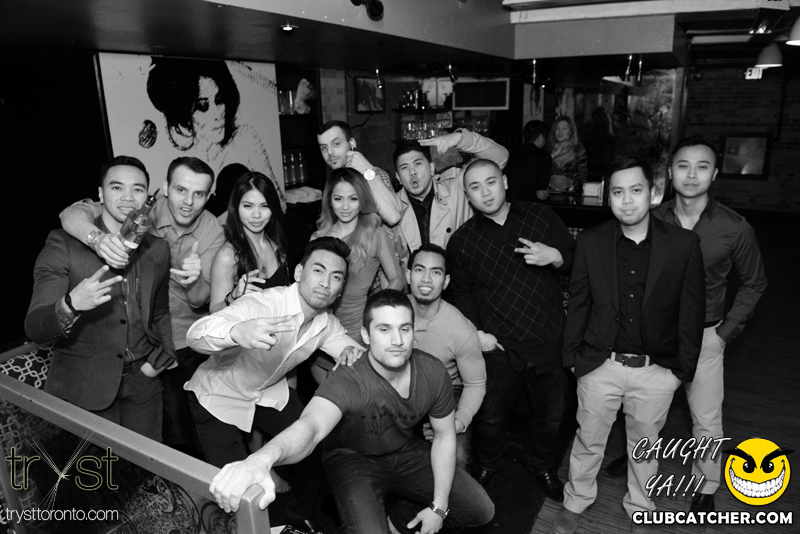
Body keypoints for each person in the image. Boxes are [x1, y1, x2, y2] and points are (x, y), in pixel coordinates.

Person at [207, 289, 495, 534]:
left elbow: (444, 436)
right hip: (352, 459)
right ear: (365, 335)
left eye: (404, 329)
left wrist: (438, 507)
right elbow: (311, 427)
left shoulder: (433, 371)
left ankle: (399, 520)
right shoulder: (348, 378)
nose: (397, 340)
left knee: (482, 510)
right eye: (384, 329)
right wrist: (261, 459)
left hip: (404, 450)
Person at [603, 137, 768, 513]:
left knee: (706, 419)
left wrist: (724, 334)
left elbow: (755, 283)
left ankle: (706, 483)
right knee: (640, 413)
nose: (692, 175)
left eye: (702, 166)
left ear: (715, 174)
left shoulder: (735, 228)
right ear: (670, 172)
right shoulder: (650, 218)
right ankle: (635, 462)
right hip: (652, 335)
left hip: (705, 335)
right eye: (683, 166)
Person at [552, 156, 705, 534]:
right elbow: (579, 302)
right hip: (599, 364)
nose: (627, 200)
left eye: (636, 190)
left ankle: (641, 506)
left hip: (656, 369)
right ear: (608, 198)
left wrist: (681, 371)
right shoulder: (591, 241)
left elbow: (691, 312)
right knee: (588, 440)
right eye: (618, 192)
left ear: (653, 193)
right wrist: (572, 359)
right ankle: (576, 499)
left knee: (645, 446)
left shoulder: (683, 244)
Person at [186, 237, 363, 533]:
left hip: (268, 392)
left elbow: (357, 354)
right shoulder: (264, 303)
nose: (325, 283)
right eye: (318, 271)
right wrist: (235, 331)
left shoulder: (326, 323)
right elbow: (196, 334)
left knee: (314, 445)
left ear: (341, 288)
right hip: (217, 397)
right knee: (237, 492)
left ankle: (299, 516)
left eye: (336, 277)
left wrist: (353, 355)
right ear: (299, 272)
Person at [58, 156, 225, 457]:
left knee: (190, 437)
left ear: (208, 196)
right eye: (181, 190)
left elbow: (200, 300)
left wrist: (194, 281)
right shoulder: (137, 207)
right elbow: (69, 214)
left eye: (199, 194)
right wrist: (97, 240)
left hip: (183, 341)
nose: (188, 202)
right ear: (165, 188)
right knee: (134, 448)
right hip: (132, 348)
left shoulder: (212, 229)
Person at [446, 159, 575, 502]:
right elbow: (463, 293)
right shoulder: (462, 241)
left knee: (552, 417)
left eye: (491, 182)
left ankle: (541, 466)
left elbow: (577, 258)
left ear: (504, 181)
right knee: (490, 418)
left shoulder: (540, 216)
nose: (485, 192)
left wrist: (556, 256)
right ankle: (489, 464)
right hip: (499, 344)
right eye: (475, 187)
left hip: (548, 337)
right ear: (467, 196)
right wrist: (478, 334)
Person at [25, 156, 175, 441]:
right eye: (117, 187)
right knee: (93, 470)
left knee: (145, 468)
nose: (128, 197)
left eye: (138, 189)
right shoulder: (63, 243)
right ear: (100, 194)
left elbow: (160, 312)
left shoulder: (157, 250)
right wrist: (71, 304)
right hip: (83, 387)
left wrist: (161, 358)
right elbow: (35, 328)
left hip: (143, 388)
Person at [146, 57, 285, 211]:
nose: (217, 114)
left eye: (219, 100)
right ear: (183, 114)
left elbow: (278, 205)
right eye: (202, 106)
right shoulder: (180, 164)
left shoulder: (245, 139)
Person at [406, 243, 486, 470]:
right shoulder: (392, 312)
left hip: (447, 389)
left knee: (456, 456)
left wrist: (456, 424)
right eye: (420, 270)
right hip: (402, 385)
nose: (426, 279)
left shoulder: (461, 329)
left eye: (436, 272)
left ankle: (450, 495)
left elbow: (476, 384)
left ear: (446, 281)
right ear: (408, 275)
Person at [311, 168, 404, 350]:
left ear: (362, 200)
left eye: (353, 199)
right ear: (329, 200)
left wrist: (376, 309)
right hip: (318, 328)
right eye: (338, 199)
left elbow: (398, 278)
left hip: (356, 328)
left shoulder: (375, 234)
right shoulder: (317, 237)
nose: (345, 207)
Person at [392, 129, 509, 254]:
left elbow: (500, 157)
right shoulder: (391, 206)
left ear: (431, 168)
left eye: (418, 163)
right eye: (404, 167)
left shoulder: (456, 185)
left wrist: (459, 138)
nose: (412, 172)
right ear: (398, 177)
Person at [209, 171, 290, 313]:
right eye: (248, 206)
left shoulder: (277, 245)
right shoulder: (228, 256)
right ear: (236, 207)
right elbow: (214, 311)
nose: (256, 215)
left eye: (264, 206)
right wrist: (234, 296)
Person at [317, 120, 402, 226]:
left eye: (336, 144)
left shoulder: (373, 173)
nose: (329, 152)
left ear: (351, 143)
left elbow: (393, 217)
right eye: (324, 148)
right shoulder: (332, 181)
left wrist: (367, 170)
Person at [504, 120, 552, 202]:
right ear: (541, 136)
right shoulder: (543, 157)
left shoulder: (512, 153)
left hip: (509, 202)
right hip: (531, 204)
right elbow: (541, 190)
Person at [548, 116, 588, 193]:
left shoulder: (578, 149)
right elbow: (540, 169)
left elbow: (583, 177)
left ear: (570, 131)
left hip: (570, 194)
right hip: (549, 193)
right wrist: (553, 155)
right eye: (557, 128)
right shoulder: (548, 148)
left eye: (564, 128)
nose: (560, 132)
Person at [583, 107, 616, 182]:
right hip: (602, 170)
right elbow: (612, 157)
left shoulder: (589, 137)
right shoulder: (610, 139)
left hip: (591, 169)